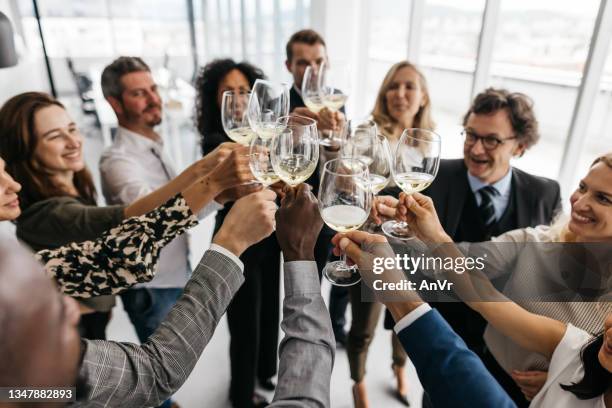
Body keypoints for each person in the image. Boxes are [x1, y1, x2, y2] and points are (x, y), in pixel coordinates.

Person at [0, 184, 336, 408]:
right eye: (42, 314)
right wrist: (243, 244)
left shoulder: (33, 385)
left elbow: (112, 256)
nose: (73, 312)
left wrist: (213, 186)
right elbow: (156, 372)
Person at [0, 91, 252, 341]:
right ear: (24, 150)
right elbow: (131, 223)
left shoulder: (72, 188)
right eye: (55, 136)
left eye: (73, 129)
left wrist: (216, 191)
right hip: (75, 335)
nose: (73, 141)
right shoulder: (48, 213)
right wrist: (207, 175)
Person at [370, 152, 612, 406]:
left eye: (603, 198)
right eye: (582, 187)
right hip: (482, 367)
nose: (580, 202)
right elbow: (466, 267)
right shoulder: (536, 240)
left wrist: (564, 385)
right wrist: (413, 231)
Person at [374, 87, 562, 406]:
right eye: (470, 135)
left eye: (491, 140)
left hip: (513, 359)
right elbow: (392, 226)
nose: (475, 149)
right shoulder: (431, 177)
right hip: (446, 340)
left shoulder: (545, 193)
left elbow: (552, 285)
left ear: (520, 146)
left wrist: (555, 371)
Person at [344, 60, 435, 407]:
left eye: (409, 86)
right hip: (371, 247)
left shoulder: (427, 143)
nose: (400, 94)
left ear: (423, 96)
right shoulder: (369, 134)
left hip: (412, 252)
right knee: (363, 328)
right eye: (393, 87)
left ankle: (400, 368)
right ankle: (358, 383)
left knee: (408, 321)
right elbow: (346, 182)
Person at [195, 58, 279, 408]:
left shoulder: (265, 131)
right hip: (237, 240)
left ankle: (264, 372)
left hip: (269, 233)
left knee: (270, 308)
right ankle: (242, 395)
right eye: (229, 92)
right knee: (244, 322)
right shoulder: (216, 142)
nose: (240, 99)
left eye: (244, 91)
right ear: (215, 99)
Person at [284, 28, 348, 349]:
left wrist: (336, 142)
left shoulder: (336, 99)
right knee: (299, 277)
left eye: (319, 62)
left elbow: (340, 161)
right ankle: (301, 336)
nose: (312, 71)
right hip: (294, 209)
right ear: (288, 66)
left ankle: (329, 330)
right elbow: (275, 159)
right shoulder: (282, 104)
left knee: (331, 269)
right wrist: (292, 130)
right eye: (303, 63)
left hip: (329, 202)